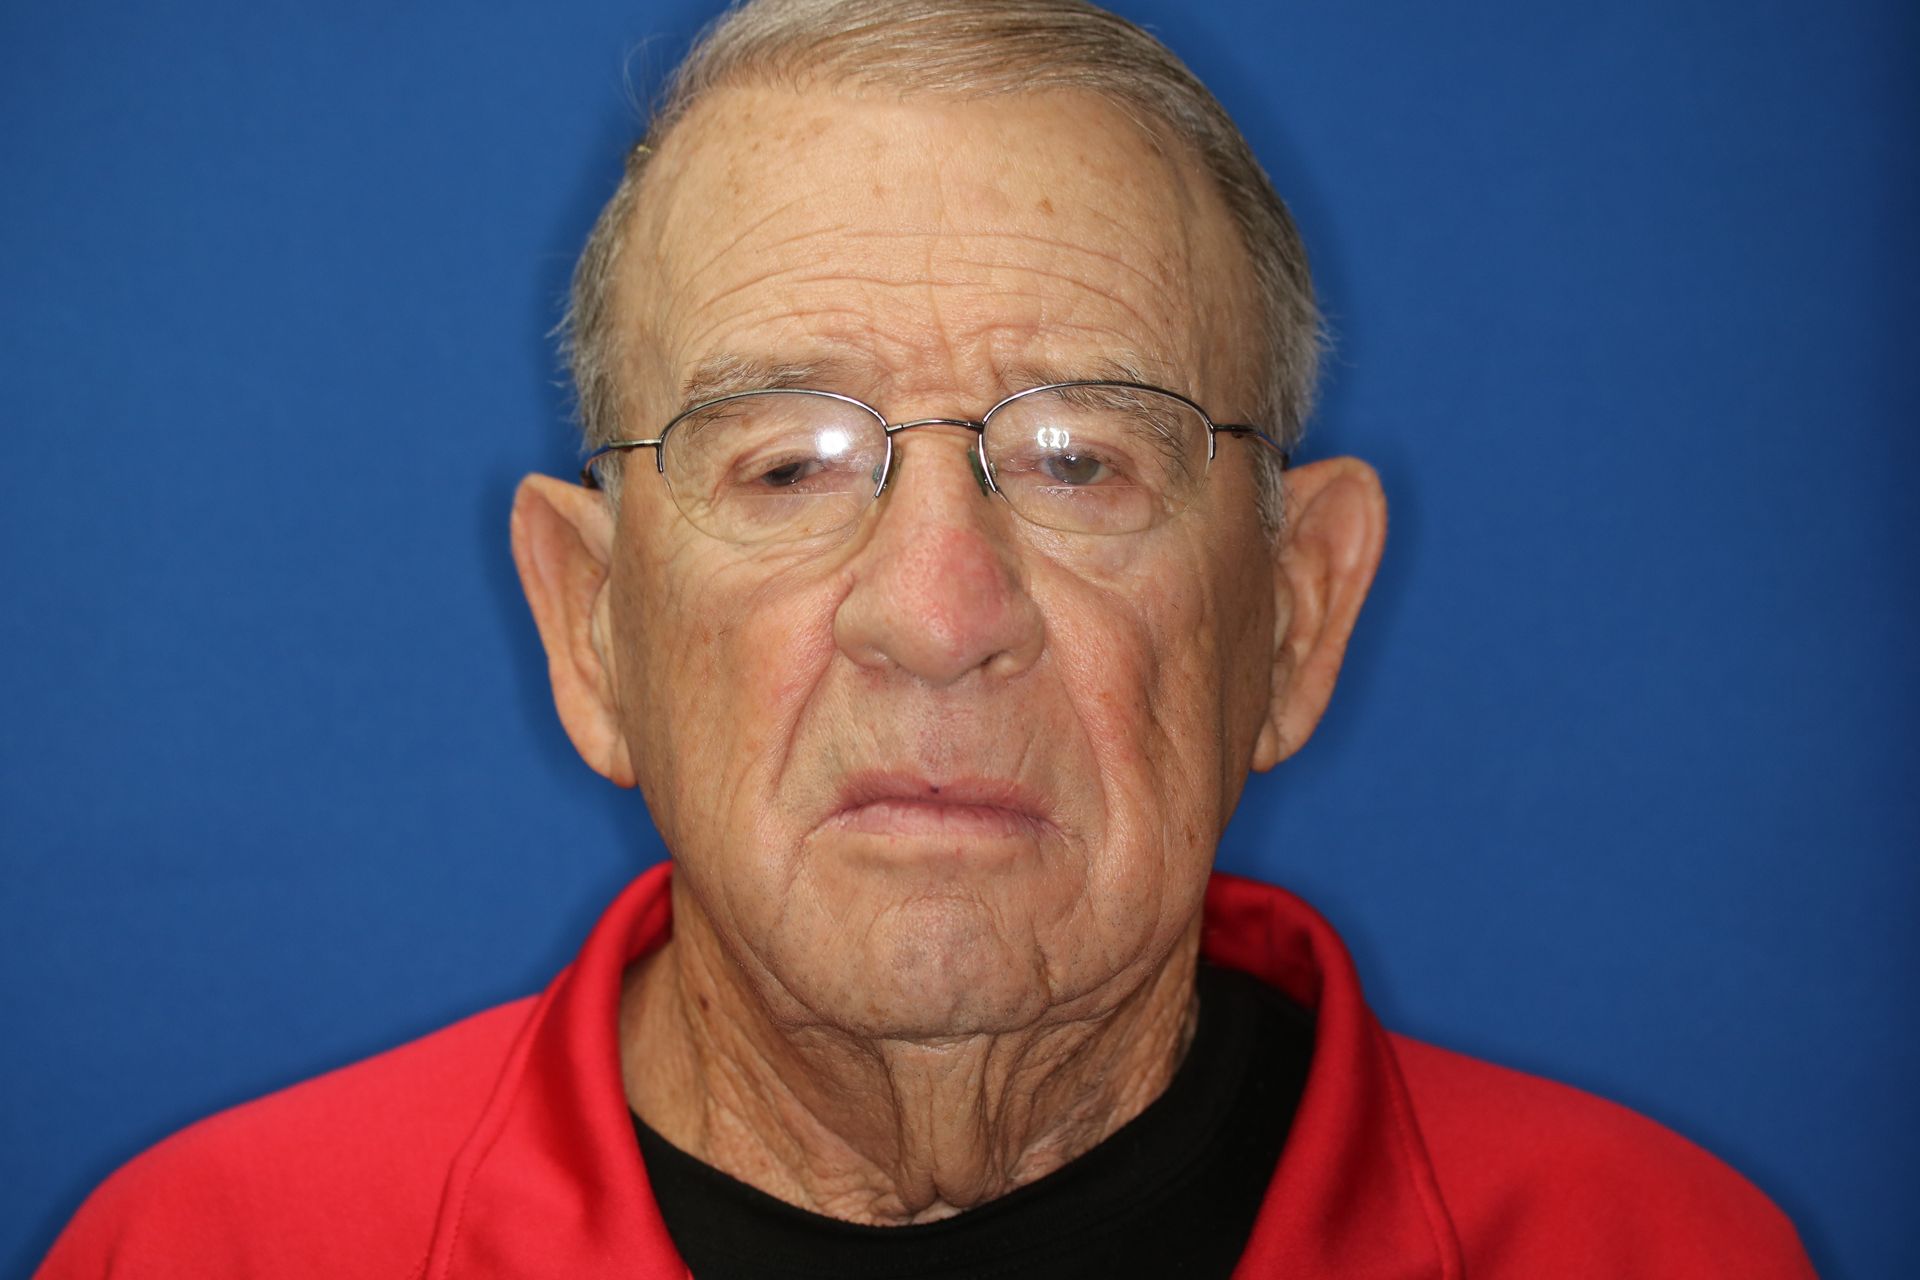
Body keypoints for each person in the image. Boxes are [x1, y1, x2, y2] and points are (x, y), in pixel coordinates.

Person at [37, 1, 1818, 1276]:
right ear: (591, 632)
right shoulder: (204, 1249)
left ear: (1292, 615)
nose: (938, 614)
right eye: (792, 463)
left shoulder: (1665, 1250)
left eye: (1083, 457)